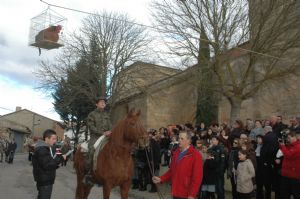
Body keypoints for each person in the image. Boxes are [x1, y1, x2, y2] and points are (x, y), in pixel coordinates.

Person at [152, 131, 203, 199]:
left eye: (182, 139)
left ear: (188, 141)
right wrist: (161, 179)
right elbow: (172, 171)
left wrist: (192, 195)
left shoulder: (196, 155)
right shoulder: (176, 153)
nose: (179, 140)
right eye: (179, 138)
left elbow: (197, 178)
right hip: (175, 191)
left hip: (187, 194)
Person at [84, 96, 112, 185]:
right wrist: (102, 133)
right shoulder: (92, 114)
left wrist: (111, 131)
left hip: (106, 137)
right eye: (101, 102)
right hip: (95, 137)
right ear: (96, 104)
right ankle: (88, 174)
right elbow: (91, 127)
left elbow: (110, 125)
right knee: (92, 150)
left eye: (104, 102)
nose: (103, 103)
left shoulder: (106, 115)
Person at [32, 129, 66, 199]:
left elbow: (58, 155)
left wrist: (60, 158)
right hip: (45, 180)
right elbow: (48, 164)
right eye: (53, 139)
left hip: (47, 178)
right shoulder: (42, 149)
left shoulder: (54, 147)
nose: (55, 141)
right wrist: (61, 159)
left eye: (56, 139)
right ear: (47, 138)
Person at [279, 130, 300, 199]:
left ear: (295, 137)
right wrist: (283, 144)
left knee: (296, 195)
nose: (288, 139)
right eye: (287, 138)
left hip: (294, 176)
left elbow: (288, 155)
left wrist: (283, 146)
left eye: (289, 138)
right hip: (286, 175)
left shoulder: (298, 146)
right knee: (284, 194)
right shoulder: (290, 145)